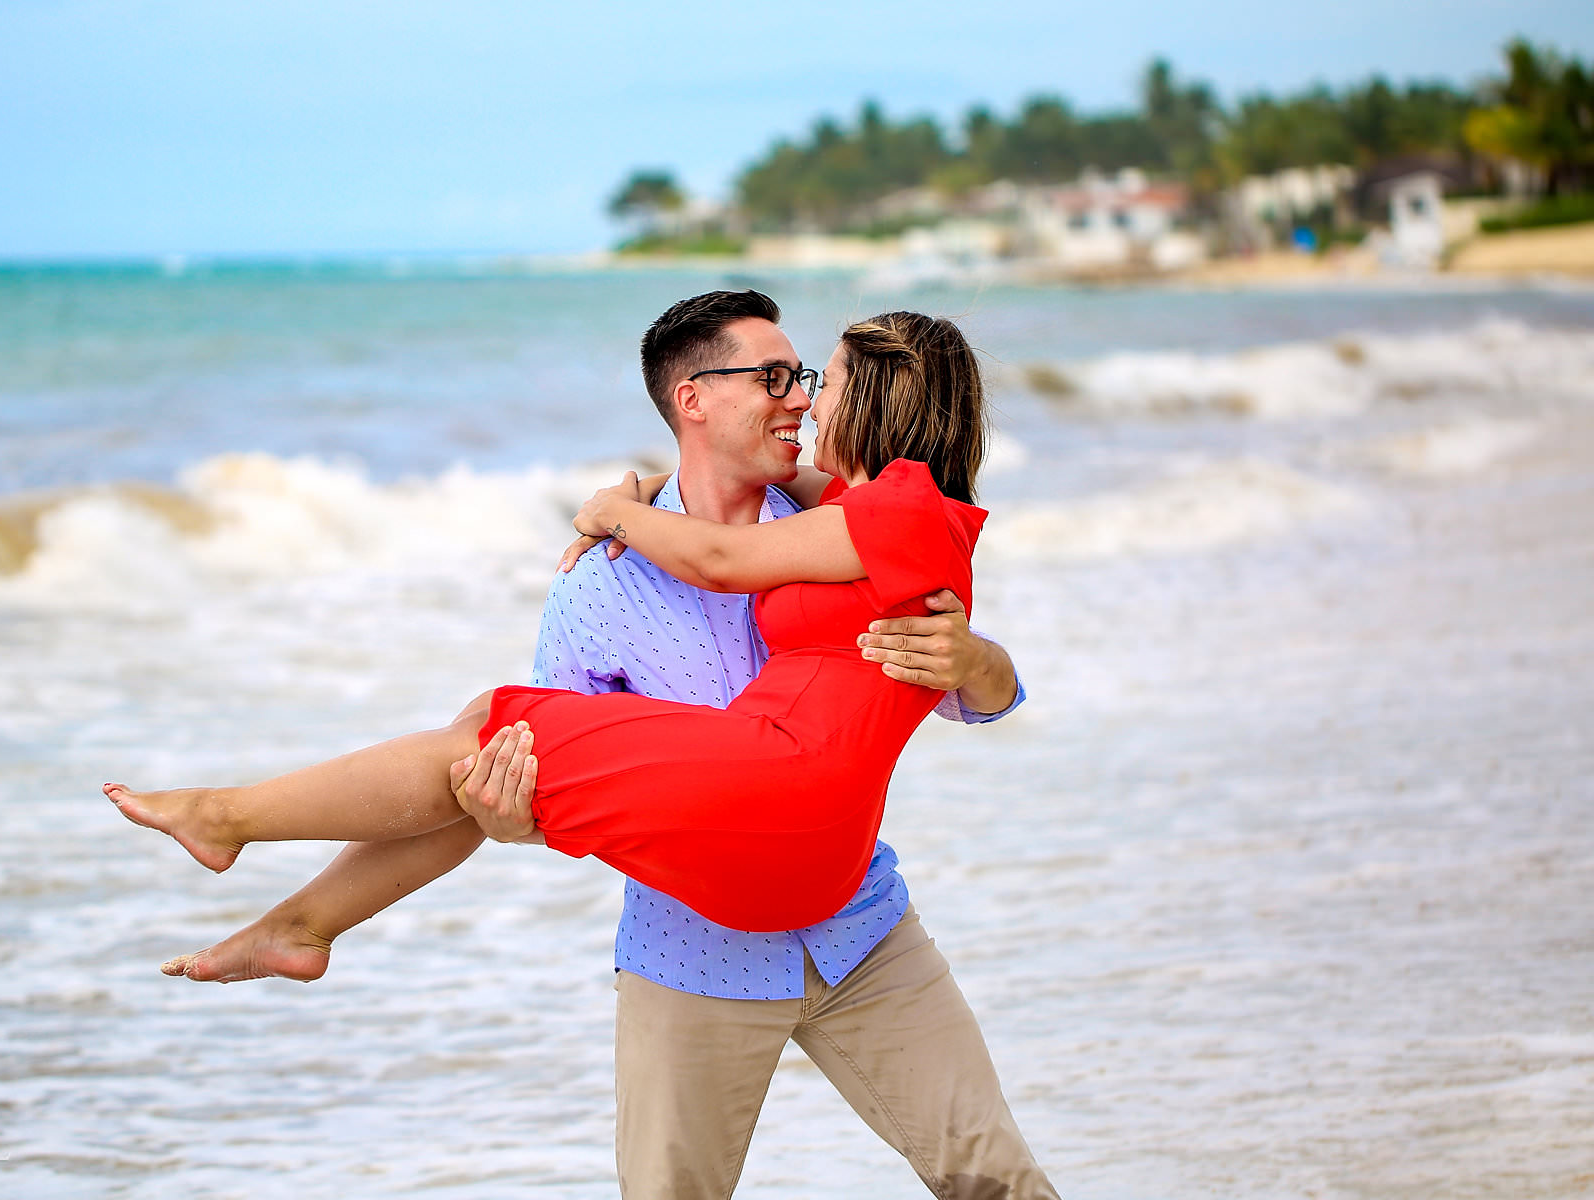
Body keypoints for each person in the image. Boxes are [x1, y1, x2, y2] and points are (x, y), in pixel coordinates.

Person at [107, 293, 1057, 1198]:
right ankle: (291, 914)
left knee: (998, 1183)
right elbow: (523, 803)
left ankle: (248, 848)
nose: (802, 398)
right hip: (699, 953)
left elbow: (983, 698)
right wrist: (504, 815)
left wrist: (979, 659)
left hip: (859, 927)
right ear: (695, 398)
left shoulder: (837, 522)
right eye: (777, 377)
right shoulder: (606, 589)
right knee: (487, 743)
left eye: (813, 378)